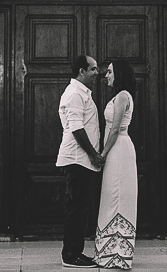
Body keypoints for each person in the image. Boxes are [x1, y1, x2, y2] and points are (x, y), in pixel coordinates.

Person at [58, 54, 102, 268]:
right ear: (81, 71)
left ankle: (76, 252)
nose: (97, 73)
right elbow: (76, 128)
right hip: (77, 159)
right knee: (76, 208)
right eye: (93, 69)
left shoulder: (82, 93)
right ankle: (70, 255)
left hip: (81, 160)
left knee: (80, 208)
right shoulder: (75, 94)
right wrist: (93, 154)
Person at [95, 60, 137, 269]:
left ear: (119, 74)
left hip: (119, 149)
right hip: (115, 149)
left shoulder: (122, 96)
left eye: (110, 72)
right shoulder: (119, 96)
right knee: (111, 195)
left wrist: (102, 154)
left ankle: (117, 254)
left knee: (117, 196)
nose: (106, 76)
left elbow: (115, 129)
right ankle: (108, 252)